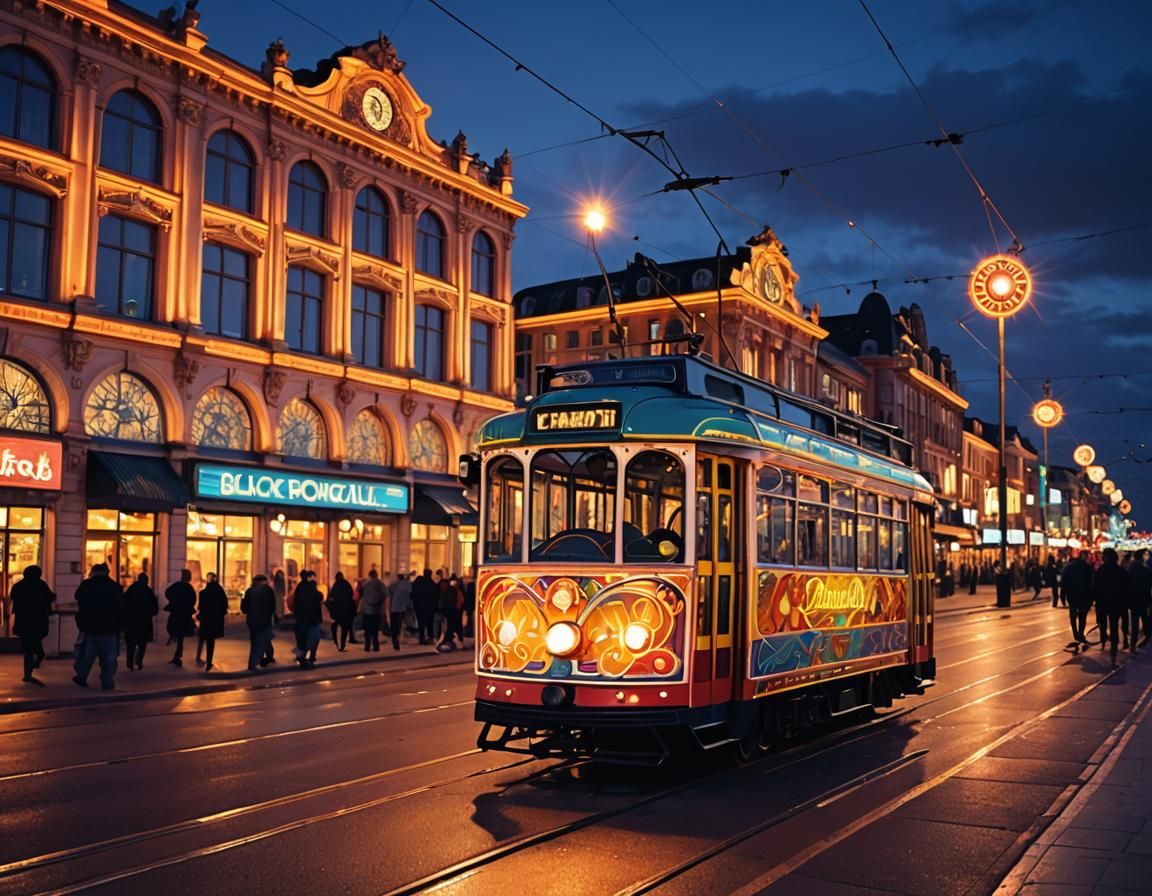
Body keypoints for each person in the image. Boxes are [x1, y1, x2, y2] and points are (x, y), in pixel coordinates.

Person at [73, 563, 125, 690]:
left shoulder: (86, 585)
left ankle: (81, 676)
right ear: (107, 572)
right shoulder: (114, 587)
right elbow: (122, 608)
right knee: (110, 657)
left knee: (88, 654)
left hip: (91, 627)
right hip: (110, 628)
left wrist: (82, 622)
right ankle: (107, 682)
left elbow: (78, 599)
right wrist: (121, 626)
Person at [11, 565, 54, 686]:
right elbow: (50, 597)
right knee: (33, 648)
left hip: (23, 622)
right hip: (37, 622)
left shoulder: (18, 586)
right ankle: (28, 674)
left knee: (29, 649)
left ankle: (28, 673)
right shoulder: (40, 585)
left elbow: (15, 603)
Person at [1094, 548, 1128, 667]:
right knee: (1114, 626)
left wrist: (1096, 601)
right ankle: (1114, 647)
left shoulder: (1101, 570)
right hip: (1116, 603)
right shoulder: (1120, 571)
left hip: (1103, 603)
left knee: (1103, 624)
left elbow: (1095, 587)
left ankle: (1103, 640)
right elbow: (1126, 587)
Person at [241, 573, 277, 670]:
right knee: (263, 640)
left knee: (256, 641)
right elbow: (272, 606)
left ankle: (266, 658)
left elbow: (244, 608)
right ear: (263, 581)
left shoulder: (249, 591)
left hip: (252, 620)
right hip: (264, 620)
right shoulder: (267, 590)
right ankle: (254, 662)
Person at [123, 573, 159, 671]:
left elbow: (124, 605)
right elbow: (155, 609)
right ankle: (139, 661)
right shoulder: (148, 592)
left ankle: (130, 663)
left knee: (131, 644)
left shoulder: (130, 590)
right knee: (142, 644)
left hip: (131, 622)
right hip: (144, 622)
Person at [1061, 550, 1094, 652]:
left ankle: (1076, 634)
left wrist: (1063, 594)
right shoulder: (1087, 567)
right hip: (1084, 596)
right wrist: (1092, 597)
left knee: (1073, 615)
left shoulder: (1069, 567)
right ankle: (1080, 634)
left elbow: (1063, 581)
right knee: (1082, 616)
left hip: (1072, 595)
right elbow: (1092, 582)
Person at [196, 572, 229, 671]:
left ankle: (198, 656)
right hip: (215, 620)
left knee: (202, 637)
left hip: (205, 619)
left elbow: (200, 607)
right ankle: (208, 661)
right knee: (211, 641)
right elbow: (224, 606)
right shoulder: (220, 592)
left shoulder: (203, 593)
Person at [290, 570, 323, 667]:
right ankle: (304, 657)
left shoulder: (300, 587)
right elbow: (318, 597)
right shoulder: (310, 587)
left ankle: (303, 656)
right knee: (313, 638)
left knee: (302, 639)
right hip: (311, 619)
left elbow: (296, 602)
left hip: (301, 618)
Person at [165, 569, 197, 667]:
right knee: (180, 637)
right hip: (184, 614)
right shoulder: (189, 588)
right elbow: (193, 599)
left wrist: (174, 602)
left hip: (177, 613)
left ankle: (177, 657)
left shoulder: (177, 586)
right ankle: (177, 656)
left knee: (178, 635)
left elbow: (168, 592)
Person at [1125, 549, 1152, 652]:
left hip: (1133, 600)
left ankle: (1133, 644)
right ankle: (1146, 638)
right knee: (1145, 620)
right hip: (1144, 599)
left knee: (1135, 623)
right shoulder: (1146, 571)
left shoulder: (1129, 570)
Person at [358, 569, 387, 652]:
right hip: (377, 610)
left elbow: (361, 595)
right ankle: (376, 646)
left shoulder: (365, 584)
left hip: (367, 610)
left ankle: (367, 646)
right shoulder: (380, 584)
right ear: (376, 575)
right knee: (375, 629)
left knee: (367, 630)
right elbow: (385, 595)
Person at [326, 571, 356, 651]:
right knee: (345, 629)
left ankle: (337, 643)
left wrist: (331, 608)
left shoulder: (335, 586)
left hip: (336, 612)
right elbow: (351, 596)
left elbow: (330, 598)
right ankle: (342, 645)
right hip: (346, 611)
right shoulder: (347, 585)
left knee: (335, 627)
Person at [438, 573, 465, 651]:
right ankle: (453, 639)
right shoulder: (454, 590)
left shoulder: (450, 591)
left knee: (451, 626)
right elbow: (461, 600)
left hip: (451, 611)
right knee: (453, 625)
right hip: (455, 610)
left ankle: (449, 639)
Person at [412, 569, 437, 645]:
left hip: (419, 606)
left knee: (421, 623)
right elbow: (435, 596)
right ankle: (430, 638)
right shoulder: (432, 584)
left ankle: (422, 638)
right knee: (430, 623)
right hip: (429, 607)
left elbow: (413, 593)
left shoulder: (418, 582)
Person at [389, 571, 412, 651]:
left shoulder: (395, 584)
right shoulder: (408, 584)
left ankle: (396, 638)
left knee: (395, 625)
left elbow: (389, 591)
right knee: (402, 623)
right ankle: (399, 637)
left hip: (395, 607)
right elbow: (411, 594)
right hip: (404, 607)